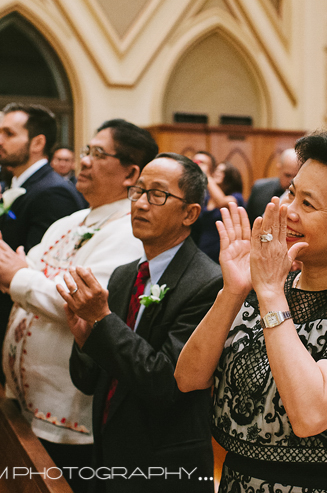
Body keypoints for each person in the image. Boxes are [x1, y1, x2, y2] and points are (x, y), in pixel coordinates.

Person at [175, 128, 327, 492]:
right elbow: (188, 378)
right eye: (291, 192)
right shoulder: (269, 285)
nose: (286, 210)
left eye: (307, 204)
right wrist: (234, 290)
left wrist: (268, 292)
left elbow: (309, 415)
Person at [0, 119, 157, 493]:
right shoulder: (70, 221)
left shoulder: (131, 232)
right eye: (86, 151)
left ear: (131, 173)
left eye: (98, 154)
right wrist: (0, 272)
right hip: (23, 399)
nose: (84, 161)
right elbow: (28, 271)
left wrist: (13, 275)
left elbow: (78, 301)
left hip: (66, 411)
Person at [63, 153, 223, 493]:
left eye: (158, 194)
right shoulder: (125, 276)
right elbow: (89, 381)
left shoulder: (208, 283)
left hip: (164, 464)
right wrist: (83, 340)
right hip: (110, 453)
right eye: (138, 191)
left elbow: (165, 382)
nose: (140, 204)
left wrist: (103, 320)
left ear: (190, 213)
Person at [0, 102, 85, 381]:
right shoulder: (15, 184)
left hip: (17, 324)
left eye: (8, 133)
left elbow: (45, 268)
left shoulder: (52, 193)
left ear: (37, 142)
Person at [194, 162, 246, 262]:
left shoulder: (237, 197)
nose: (217, 173)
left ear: (230, 177)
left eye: (222, 171)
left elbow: (221, 202)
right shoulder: (207, 198)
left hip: (222, 247)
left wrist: (207, 176)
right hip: (203, 246)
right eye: (217, 170)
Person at [246, 148, 299, 224]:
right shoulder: (259, 189)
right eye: (287, 175)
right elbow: (249, 222)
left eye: (296, 176)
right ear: (279, 169)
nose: (291, 181)